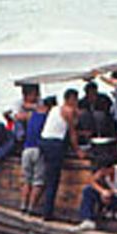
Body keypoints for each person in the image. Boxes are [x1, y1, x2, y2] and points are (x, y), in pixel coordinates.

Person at [75, 149, 117, 234]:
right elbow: (91, 181)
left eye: (105, 170)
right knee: (88, 190)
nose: (103, 172)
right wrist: (102, 191)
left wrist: (114, 191)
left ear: (111, 168)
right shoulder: (102, 172)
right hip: (111, 199)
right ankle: (88, 219)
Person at [37, 92, 78, 220]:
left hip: (44, 141)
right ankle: (47, 213)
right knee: (53, 179)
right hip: (54, 144)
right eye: (75, 100)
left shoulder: (55, 108)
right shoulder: (68, 111)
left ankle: (41, 208)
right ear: (70, 99)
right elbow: (72, 133)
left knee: (47, 177)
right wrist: (77, 150)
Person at [18, 95, 50, 212]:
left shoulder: (31, 116)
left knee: (26, 180)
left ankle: (23, 206)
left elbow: (18, 116)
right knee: (38, 181)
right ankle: (31, 208)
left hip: (26, 150)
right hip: (38, 149)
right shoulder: (47, 118)